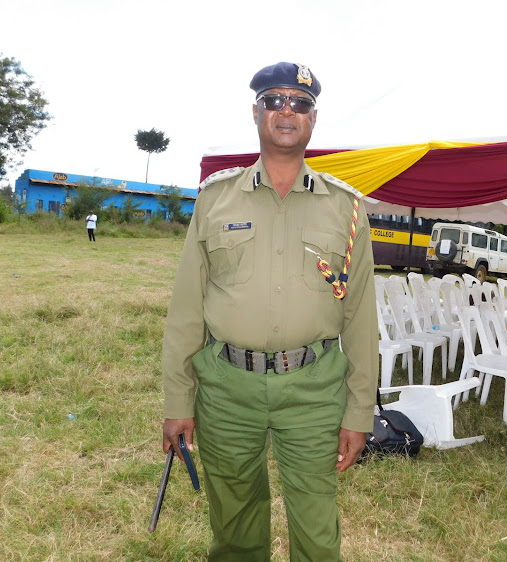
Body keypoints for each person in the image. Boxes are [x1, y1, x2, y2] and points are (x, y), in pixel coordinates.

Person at [160, 62, 378, 561]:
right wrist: (178, 400)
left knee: (317, 529)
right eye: (274, 100)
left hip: (314, 388)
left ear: (313, 119)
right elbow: (187, 307)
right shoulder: (215, 199)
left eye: (299, 103)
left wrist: (359, 410)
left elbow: (362, 317)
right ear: (255, 112)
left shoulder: (346, 209)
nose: (287, 110)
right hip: (226, 388)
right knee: (235, 524)